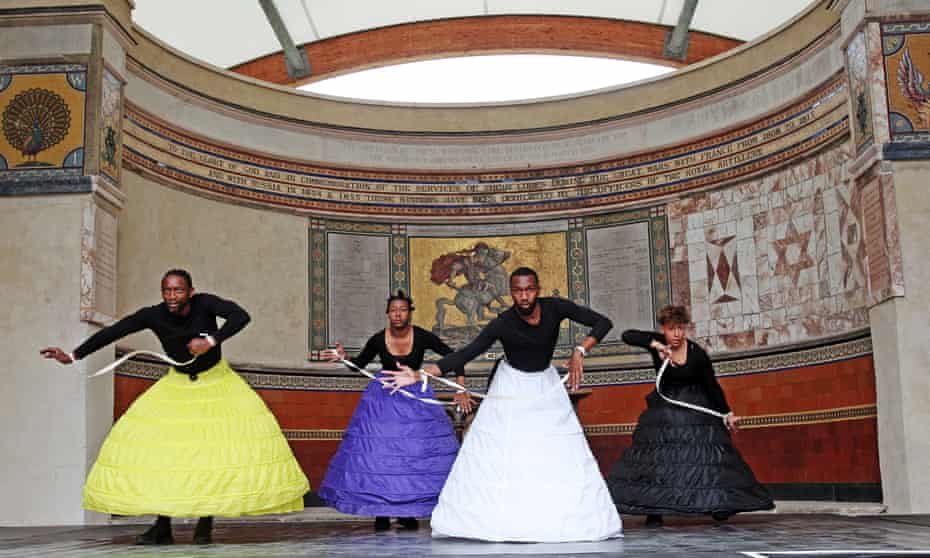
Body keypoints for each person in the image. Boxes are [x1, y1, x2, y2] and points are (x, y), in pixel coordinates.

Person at [40, 269, 309, 545]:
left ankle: (204, 526)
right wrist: (72, 355)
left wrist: (211, 341)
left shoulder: (206, 303)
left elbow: (241, 316)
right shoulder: (153, 315)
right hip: (178, 384)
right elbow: (114, 332)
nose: (171, 296)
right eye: (167, 290)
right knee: (165, 455)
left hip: (217, 384)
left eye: (178, 290)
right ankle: (162, 527)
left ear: (190, 292)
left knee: (211, 454)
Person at [384, 267, 622, 542]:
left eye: (529, 289)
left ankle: (550, 517)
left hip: (545, 385)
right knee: (511, 452)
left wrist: (581, 350)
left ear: (538, 288)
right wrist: (419, 374)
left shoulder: (556, 307)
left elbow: (603, 322)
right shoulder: (503, 322)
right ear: (511, 292)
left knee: (552, 451)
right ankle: (509, 519)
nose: (524, 296)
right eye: (518, 290)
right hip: (512, 385)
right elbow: (467, 352)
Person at [606, 304, 774, 527]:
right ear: (663, 329)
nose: (676, 334)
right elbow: (628, 336)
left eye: (680, 328)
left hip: (694, 410)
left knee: (706, 459)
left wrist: (728, 413)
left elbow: (712, 386)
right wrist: (656, 345)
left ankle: (717, 504)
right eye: (671, 329)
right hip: (665, 411)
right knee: (659, 461)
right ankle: (654, 510)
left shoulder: (697, 355)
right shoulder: (659, 342)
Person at [318, 290, 466, 531]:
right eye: (393, 310)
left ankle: (408, 513)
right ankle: (381, 513)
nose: (398, 314)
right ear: (388, 313)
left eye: (403, 310)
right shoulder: (378, 339)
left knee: (412, 456)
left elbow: (456, 357)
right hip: (382, 402)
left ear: (410, 313)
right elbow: (360, 365)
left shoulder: (423, 336)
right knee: (380, 456)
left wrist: (461, 388)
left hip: (414, 399)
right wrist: (344, 358)